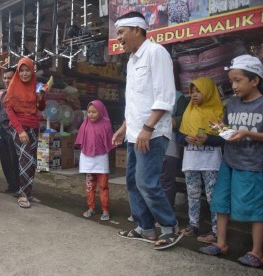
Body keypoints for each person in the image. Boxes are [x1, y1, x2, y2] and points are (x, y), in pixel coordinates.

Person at [112, 12, 182, 250]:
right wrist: (123, 127)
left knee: (147, 182)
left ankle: (170, 227)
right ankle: (146, 228)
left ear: (138, 30)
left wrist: (148, 128)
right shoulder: (132, 60)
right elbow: (135, 101)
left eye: (122, 32)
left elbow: (165, 97)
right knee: (132, 181)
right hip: (135, 132)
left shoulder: (156, 53)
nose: (118, 37)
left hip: (151, 133)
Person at [199, 55, 263, 268]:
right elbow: (229, 131)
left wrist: (248, 134)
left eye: (238, 80)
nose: (233, 86)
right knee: (221, 203)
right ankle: (221, 243)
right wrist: (220, 130)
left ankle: (257, 252)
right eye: (231, 81)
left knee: (256, 209)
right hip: (229, 161)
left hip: (252, 164)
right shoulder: (232, 104)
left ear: (254, 80)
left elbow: (245, 133)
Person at [177, 77, 225, 243]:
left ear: (209, 92)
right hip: (191, 160)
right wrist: (185, 139)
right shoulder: (188, 111)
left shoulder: (218, 112)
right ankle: (193, 225)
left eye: (198, 91)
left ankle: (216, 231)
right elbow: (179, 136)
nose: (194, 95)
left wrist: (208, 139)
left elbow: (225, 138)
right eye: (192, 91)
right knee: (193, 194)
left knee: (213, 197)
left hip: (211, 162)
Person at [5, 57, 46, 208]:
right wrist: (20, 130)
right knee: (25, 160)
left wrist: (41, 97)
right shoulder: (13, 86)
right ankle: (22, 194)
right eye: (21, 70)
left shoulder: (37, 85)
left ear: (32, 70)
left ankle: (28, 193)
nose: (24, 73)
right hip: (19, 128)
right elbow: (9, 110)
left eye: (27, 70)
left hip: (34, 127)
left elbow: (41, 107)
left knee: (32, 162)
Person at [75, 100, 115, 221]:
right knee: (89, 185)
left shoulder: (106, 125)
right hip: (87, 159)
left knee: (103, 186)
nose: (91, 114)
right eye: (89, 112)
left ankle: (105, 210)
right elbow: (80, 142)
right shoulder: (85, 124)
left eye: (94, 112)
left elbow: (109, 143)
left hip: (101, 159)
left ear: (101, 112)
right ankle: (91, 208)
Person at [160, 90, 188, 209]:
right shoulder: (149, 93)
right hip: (150, 142)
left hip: (169, 142)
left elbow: (184, 118)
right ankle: (152, 214)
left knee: (166, 180)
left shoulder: (178, 97)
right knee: (151, 180)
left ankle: (165, 215)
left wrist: (171, 122)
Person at [0, 68, 20, 194]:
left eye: (9, 78)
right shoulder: (4, 94)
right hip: (2, 131)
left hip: (13, 131)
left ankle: (18, 187)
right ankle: (11, 185)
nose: (6, 80)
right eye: (5, 78)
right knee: (5, 160)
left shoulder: (19, 94)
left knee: (14, 160)